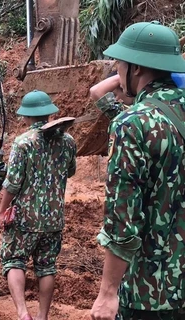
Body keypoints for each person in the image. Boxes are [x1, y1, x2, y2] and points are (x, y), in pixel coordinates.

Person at [90, 21, 185, 320]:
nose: (117, 71)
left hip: (151, 292)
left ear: (136, 68)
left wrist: (107, 293)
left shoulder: (133, 124)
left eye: (119, 64)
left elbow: (123, 218)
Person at [0, 90, 76, 320]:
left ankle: (22, 313)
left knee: (14, 260)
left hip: (24, 218)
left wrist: (1, 213)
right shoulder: (68, 141)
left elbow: (12, 184)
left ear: (26, 116)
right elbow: (70, 171)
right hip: (54, 218)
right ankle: (42, 316)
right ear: (49, 114)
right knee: (47, 266)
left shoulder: (23, 143)